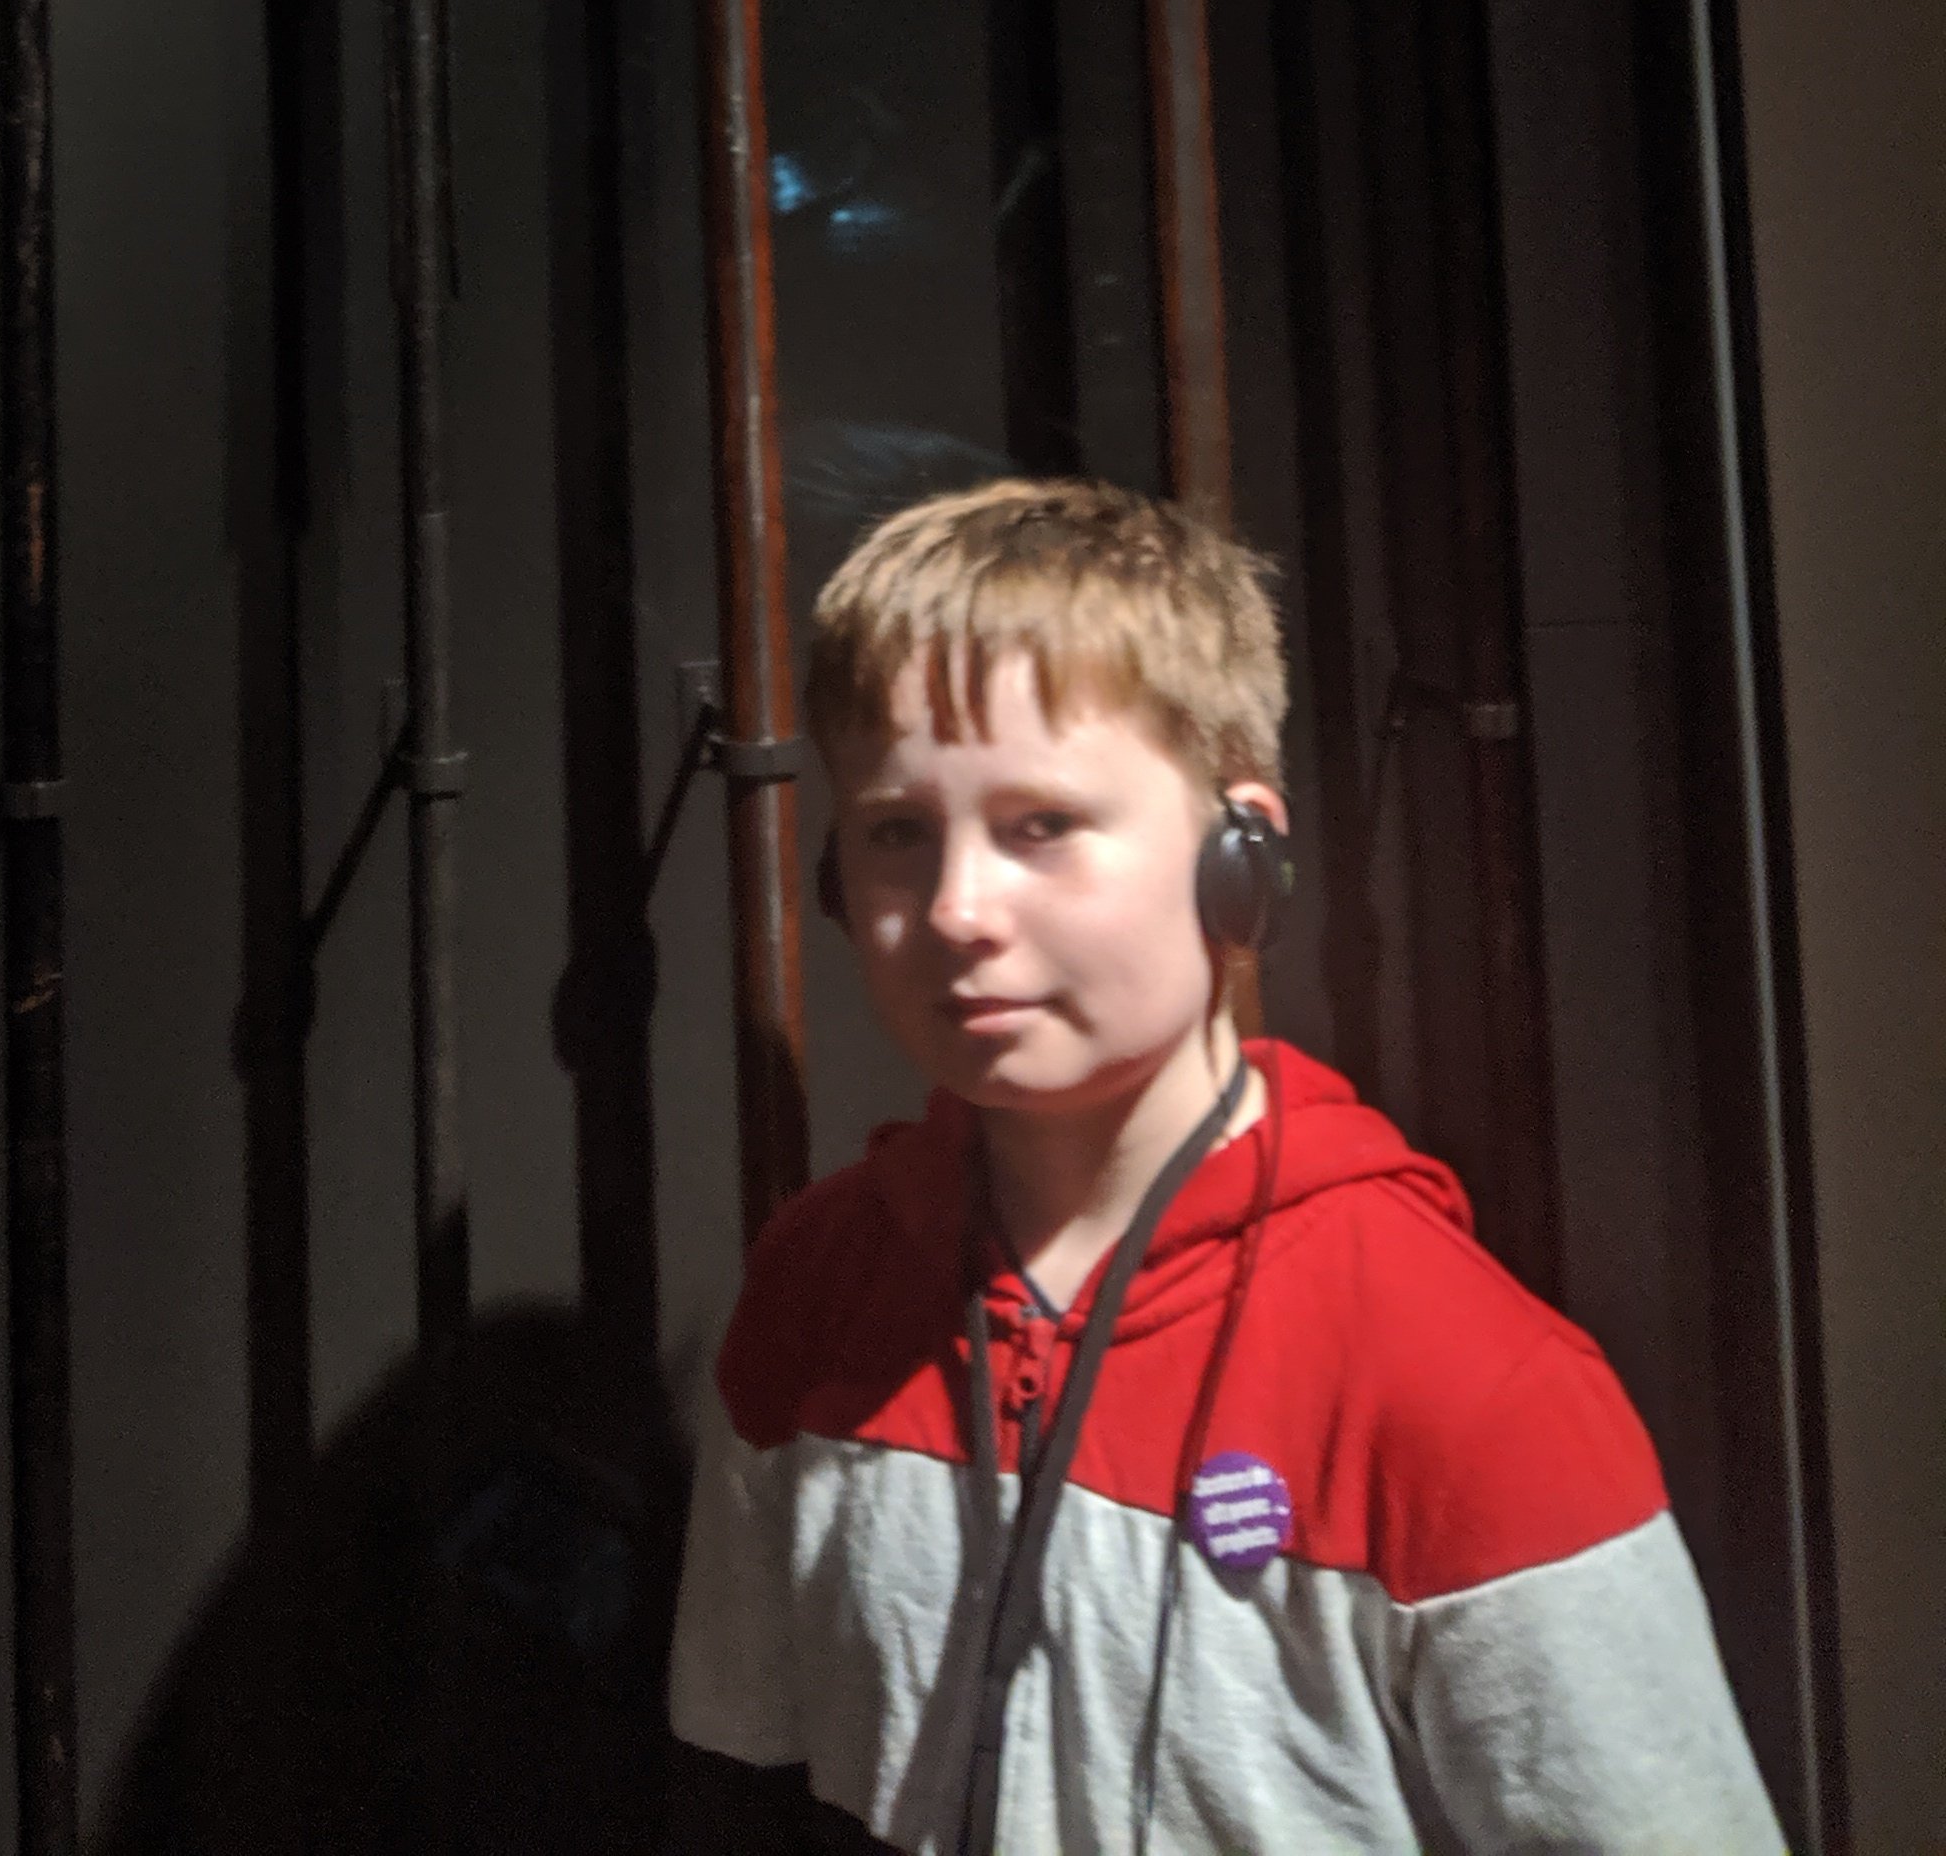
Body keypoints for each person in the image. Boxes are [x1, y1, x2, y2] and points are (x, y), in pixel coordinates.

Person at [665, 478, 1785, 1853]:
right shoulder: (814, 1286)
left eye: (1040, 826)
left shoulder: (1472, 1381)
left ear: (1238, 857)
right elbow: (747, 1765)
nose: (957, 911)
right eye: (900, 833)